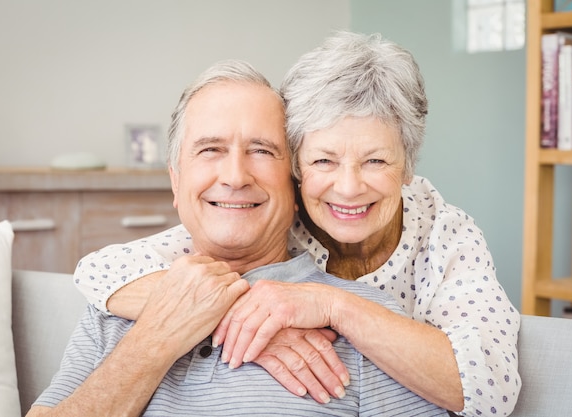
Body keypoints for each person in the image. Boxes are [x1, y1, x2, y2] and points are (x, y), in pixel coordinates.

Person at [73, 32, 521, 417]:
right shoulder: (267, 215)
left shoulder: (442, 237)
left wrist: (334, 308)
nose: (347, 188)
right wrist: (239, 315)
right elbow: (100, 269)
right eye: (324, 160)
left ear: (408, 166)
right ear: (299, 169)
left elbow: (489, 387)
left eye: (376, 160)